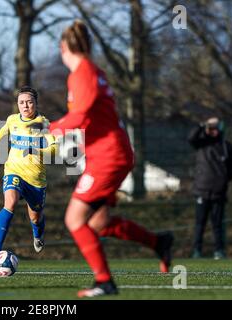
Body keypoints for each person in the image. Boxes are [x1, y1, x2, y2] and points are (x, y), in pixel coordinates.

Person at [48, 20, 174, 297]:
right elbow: (90, 117)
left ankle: (105, 282)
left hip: (108, 157)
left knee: (74, 219)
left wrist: (50, 129)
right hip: (109, 153)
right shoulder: (93, 72)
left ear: (65, 47)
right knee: (98, 224)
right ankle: (159, 242)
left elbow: (80, 116)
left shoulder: (82, 74)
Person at [0, 86, 57, 260]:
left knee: (35, 217)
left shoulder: (43, 123)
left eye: (29, 102)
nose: (25, 106)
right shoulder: (12, 120)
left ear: (36, 104)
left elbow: (54, 149)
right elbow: (2, 132)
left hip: (36, 179)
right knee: (9, 203)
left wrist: (40, 150)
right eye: (21, 102)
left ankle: (38, 234)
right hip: (13, 171)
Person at [188, 117, 232, 260]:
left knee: (217, 225)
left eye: (216, 128)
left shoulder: (226, 147)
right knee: (200, 224)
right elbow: (191, 137)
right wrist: (203, 124)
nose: (213, 131)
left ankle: (219, 251)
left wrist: (224, 182)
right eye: (211, 129)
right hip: (201, 191)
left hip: (218, 192)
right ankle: (197, 251)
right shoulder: (201, 144)